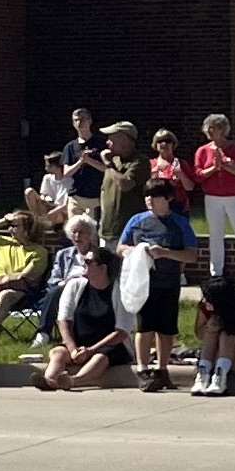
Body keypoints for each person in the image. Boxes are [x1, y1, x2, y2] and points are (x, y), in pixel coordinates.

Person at [118, 181, 200, 390]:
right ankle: (143, 369)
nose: (150, 201)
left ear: (168, 199)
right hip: (143, 283)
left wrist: (165, 253)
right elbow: (121, 247)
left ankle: (163, 370)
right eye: (147, 197)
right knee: (145, 327)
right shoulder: (137, 221)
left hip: (169, 282)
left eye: (155, 197)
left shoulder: (179, 223)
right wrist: (136, 251)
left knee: (166, 329)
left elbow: (191, 254)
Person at [40, 246, 131, 390]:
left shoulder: (119, 292)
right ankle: (49, 380)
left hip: (108, 347)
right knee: (58, 353)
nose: (83, 264)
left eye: (88, 262)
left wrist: (91, 350)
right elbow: (63, 320)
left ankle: (74, 381)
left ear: (103, 268)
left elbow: (122, 331)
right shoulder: (75, 286)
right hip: (77, 344)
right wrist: (72, 349)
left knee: (100, 358)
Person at [192, 113, 235, 279]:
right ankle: (216, 272)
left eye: (212, 128)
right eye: (207, 128)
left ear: (222, 129)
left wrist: (226, 165)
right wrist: (214, 167)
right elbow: (198, 175)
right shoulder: (203, 150)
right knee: (215, 235)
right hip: (212, 197)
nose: (208, 131)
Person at [94, 121, 151, 244]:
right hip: (106, 230)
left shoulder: (140, 161)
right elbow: (104, 191)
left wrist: (109, 165)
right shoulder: (114, 160)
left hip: (128, 231)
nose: (107, 142)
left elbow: (125, 185)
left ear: (124, 139)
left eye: (111, 138)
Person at [146, 130, 196, 216]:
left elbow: (190, 187)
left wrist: (180, 172)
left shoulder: (181, 163)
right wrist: (153, 173)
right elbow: (145, 187)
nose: (164, 144)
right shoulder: (151, 164)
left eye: (168, 141)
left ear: (173, 144)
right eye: (160, 141)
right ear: (155, 144)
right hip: (158, 206)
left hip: (179, 206)